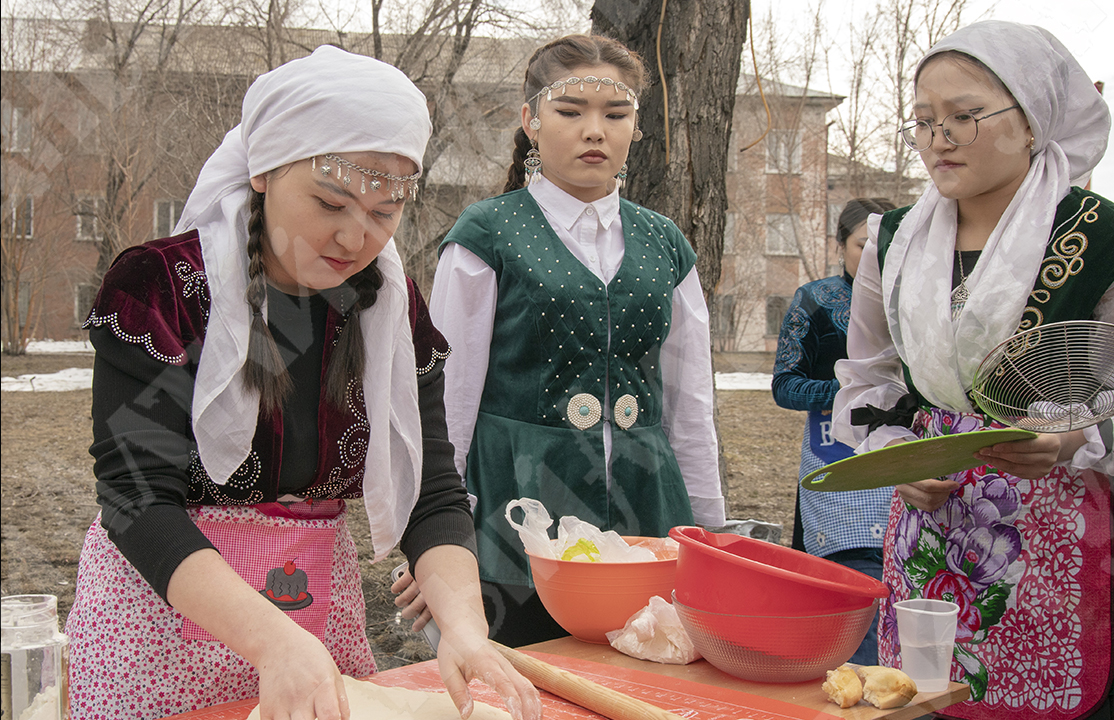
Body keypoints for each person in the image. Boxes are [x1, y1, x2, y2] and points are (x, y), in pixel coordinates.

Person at [65, 46, 540, 720]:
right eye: (331, 201)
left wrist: (463, 627)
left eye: (385, 212)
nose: (355, 236)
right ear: (263, 171)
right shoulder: (163, 291)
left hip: (312, 608)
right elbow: (135, 495)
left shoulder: (385, 308)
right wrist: (270, 640)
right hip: (165, 622)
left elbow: (431, 493)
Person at [831, 21, 1114, 720]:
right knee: (928, 700)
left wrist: (1072, 436)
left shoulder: (1104, 244)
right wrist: (894, 454)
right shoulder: (895, 244)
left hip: (1060, 528)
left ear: (1033, 121)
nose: (939, 136)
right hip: (930, 529)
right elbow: (867, 382)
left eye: (964, 116)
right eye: (923, 120)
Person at [428, 34, 725, 647]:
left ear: (635, 128)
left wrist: (711, 538)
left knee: (643, 686)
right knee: (518, 686)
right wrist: (437, 535)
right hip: (518, 513)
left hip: (648, 512)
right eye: (571, 112)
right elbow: (447, 402)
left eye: (615, 115)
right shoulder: (486, 234)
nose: (595, 131)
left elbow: (691, 408)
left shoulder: (665, 243)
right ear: (531, 121)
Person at [771, 196, 895, 664]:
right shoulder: (817, 300)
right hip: (837, 461)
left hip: (913, 466)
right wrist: (854, 392)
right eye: (865, 245)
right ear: (840, 243)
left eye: (889, 245)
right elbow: (785, 386)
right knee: (853, 599)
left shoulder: (922, 302)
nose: (876, 257)